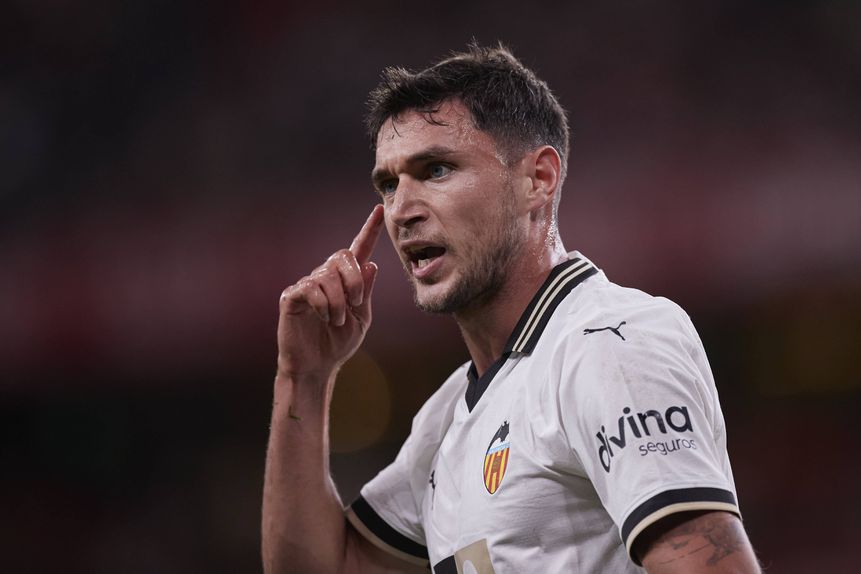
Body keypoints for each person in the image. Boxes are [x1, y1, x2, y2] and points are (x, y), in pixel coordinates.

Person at [262, 44, 760, 573]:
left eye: (436, 169)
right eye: (388, 184)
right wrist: (302, 377)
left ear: (537, 180)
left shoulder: (609, 344)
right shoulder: (446, 418)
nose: (401, 211)